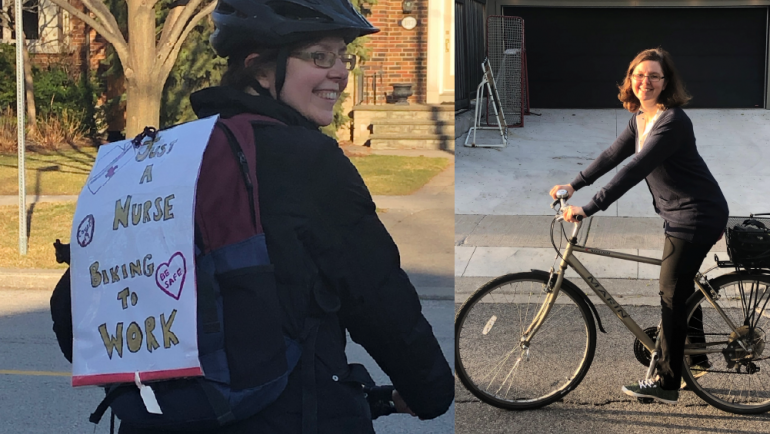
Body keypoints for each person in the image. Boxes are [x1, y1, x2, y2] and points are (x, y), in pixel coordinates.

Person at [51, 0, 453, 432]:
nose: (340, 71)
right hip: (291, 413)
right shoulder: (307, 160)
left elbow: (75, 311)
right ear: (260, 68)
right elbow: (376, 293)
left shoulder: (163, 155)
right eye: (320, 56)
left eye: (342, 57)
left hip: (161, 418)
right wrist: (429, 390)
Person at [549, 47, 728, 405]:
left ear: (666, 82)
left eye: (654, 76)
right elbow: (612, 156)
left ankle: (666, 381)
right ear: (630, 79)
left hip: (697, 214)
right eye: (639, 75)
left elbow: (634, 169)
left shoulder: (673, 121)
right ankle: (696, 356)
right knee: (679, 286)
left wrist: (588, 208)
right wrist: (574, 184)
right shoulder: (641, 119)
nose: (645, 82)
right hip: (678, 214)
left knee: (671, 293)